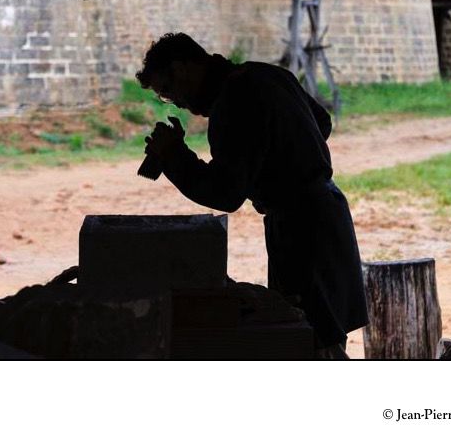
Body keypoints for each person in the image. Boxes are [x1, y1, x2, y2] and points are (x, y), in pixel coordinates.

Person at [137, 32, 368, 359]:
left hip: (301, 233)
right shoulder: (267, 74)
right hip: (328, 217)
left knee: (312, 347)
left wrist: (175, 156)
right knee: (322, 340)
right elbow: (322, 123)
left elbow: (226, 193)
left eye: (168, 91)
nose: (176, 102)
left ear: (184, 68)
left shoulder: (233, 102)